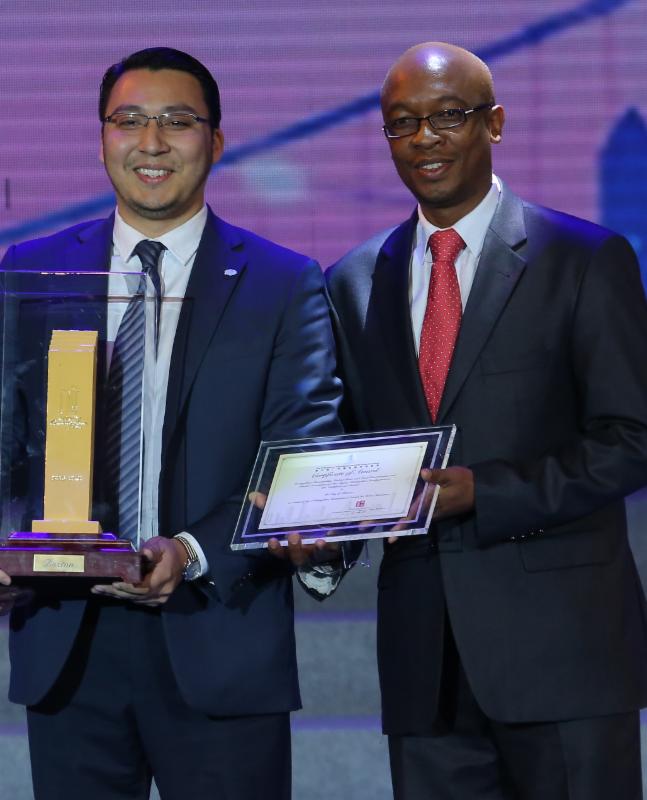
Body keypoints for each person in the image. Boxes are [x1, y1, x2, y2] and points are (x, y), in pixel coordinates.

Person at [0, 47, 342, 800]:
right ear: (101, 138)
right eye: (129, 120)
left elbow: (301, 453)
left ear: (215, 141)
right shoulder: (35, 271)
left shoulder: (282, 282)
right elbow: (6, 442)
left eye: (176, 122)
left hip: (219, 633)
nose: (150, 142)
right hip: (68, 643)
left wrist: (190, 551)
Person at [326, 42, 647, 800]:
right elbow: (348, 449)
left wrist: (487, 492)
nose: (424, 139)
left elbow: (632, 438)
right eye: (402, 123)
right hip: (425, 668)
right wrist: (315, 530)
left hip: (564, 655)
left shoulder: (583, 258)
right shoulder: (352, 280)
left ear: (494, 123)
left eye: (447, 116)